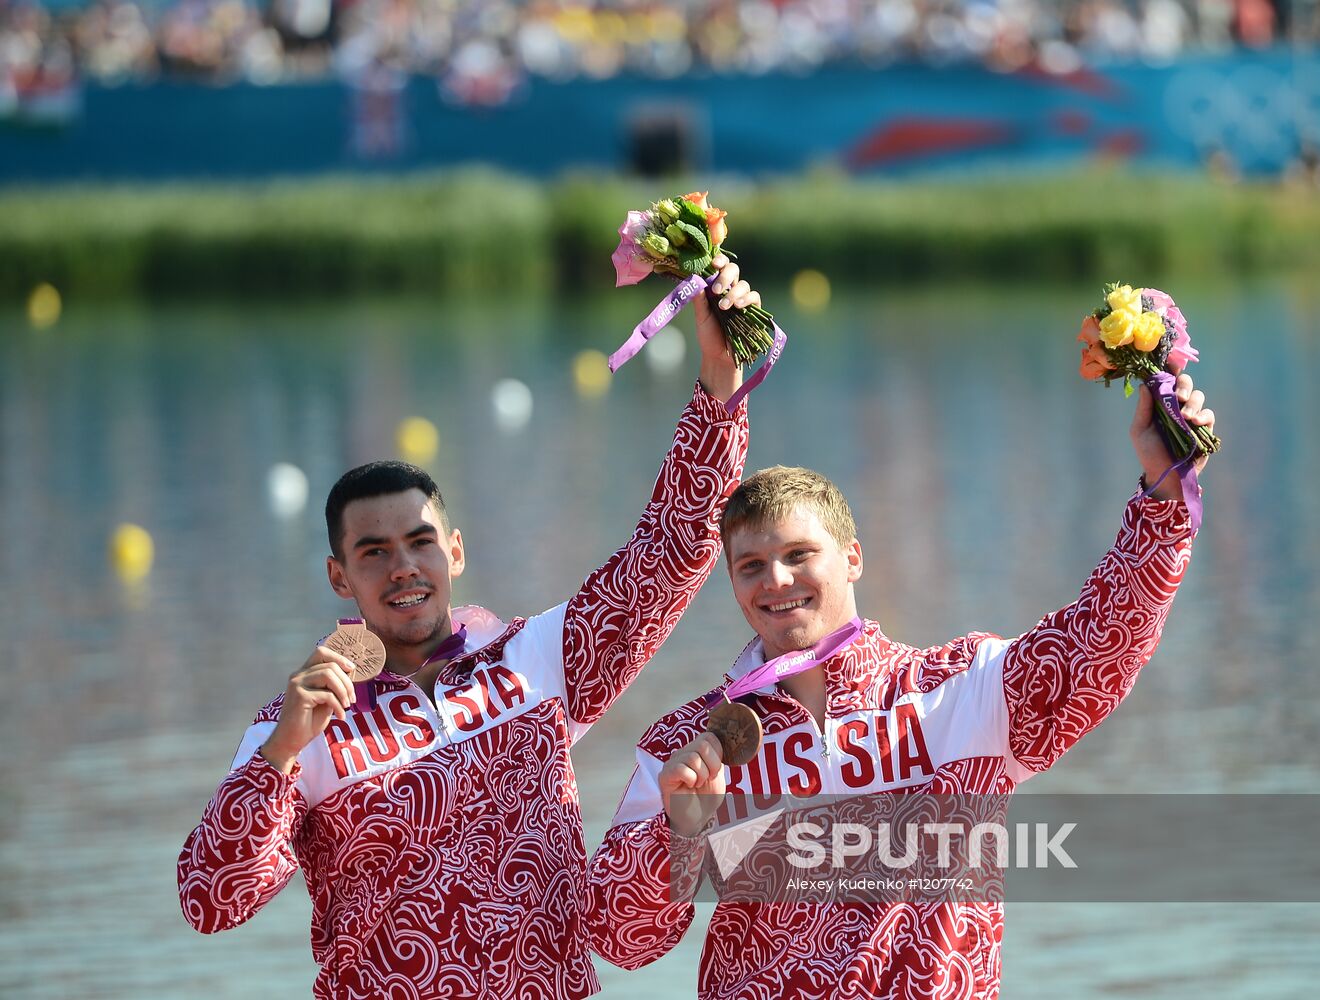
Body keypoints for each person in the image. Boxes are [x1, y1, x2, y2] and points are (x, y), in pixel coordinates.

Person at [178, 257, 761, 999]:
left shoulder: (540, 660)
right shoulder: (298, 728)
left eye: (420, 542)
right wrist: (280, 753)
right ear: (339, 578)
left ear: (454, 550)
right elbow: (210, 902)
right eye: (373, 552)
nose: (403, 567)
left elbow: (672, 549)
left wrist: (718, 379)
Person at [586, 373, 1216, 998]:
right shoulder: (686, 748)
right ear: (732, 583)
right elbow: (620, 940)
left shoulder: (962, 690)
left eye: (799, 555)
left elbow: (1102, 641)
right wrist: (677, 834)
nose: (775, 580)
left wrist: (1162, 499)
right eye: (751, 566)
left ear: (853, 558)